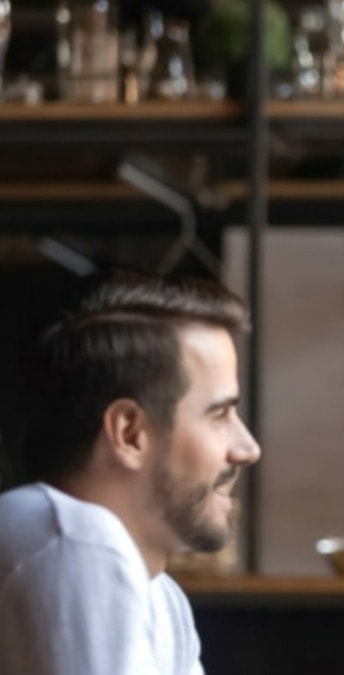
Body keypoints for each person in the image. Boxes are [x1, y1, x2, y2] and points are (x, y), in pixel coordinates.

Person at [0, 269, 261, 675]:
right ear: (130, 433)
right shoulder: (79, 542)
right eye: (219, 414)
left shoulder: (161, 597)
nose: (248, 449)